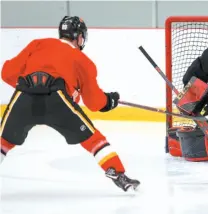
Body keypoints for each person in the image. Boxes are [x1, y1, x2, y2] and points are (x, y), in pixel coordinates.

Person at [0, 16, 140, 192]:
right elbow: (94, 102)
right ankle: (118, 174)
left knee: (3, 142)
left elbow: (7, 73)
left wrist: (33, 85)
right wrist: (109, 101)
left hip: (24, 96)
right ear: (79, 37)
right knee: (94, 140)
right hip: (57, 101)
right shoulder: (82, 60)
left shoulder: (37, 44)